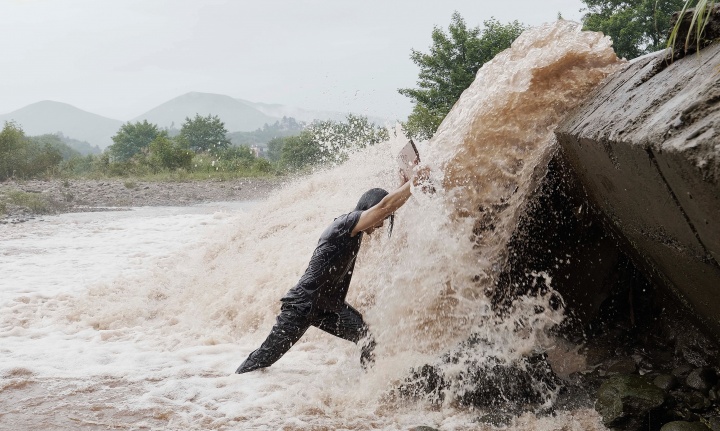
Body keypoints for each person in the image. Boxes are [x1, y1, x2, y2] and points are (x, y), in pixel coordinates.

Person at [236, 168, 428, 374]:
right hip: (303, 304)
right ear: (370, 209)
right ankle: (234, 384)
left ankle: (370, 385)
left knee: (366, 337)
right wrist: (414, 181)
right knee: (264, 357)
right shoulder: (347, 224)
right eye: (381, 218)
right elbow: (383, 207)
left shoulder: (354, 226)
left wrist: (405, 186)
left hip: (328, 307)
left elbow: (385, 206)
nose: (381, 224)